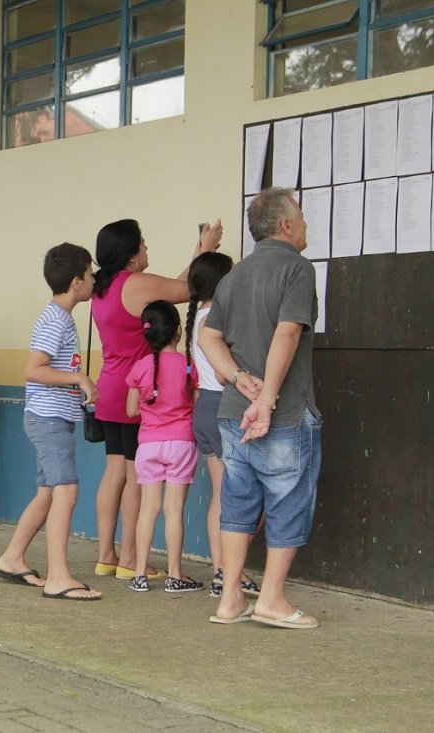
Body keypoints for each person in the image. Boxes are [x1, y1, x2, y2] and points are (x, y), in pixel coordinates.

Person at [199, 187, 321, 629]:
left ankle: (230, 599)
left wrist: (235, 377)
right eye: (302, 217)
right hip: (282, 413)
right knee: (287, 501)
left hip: (233, 411)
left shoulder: (234, 276)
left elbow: (206, 337)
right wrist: (267, 400)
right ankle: (270, 600)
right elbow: (287, 334)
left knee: (238, 502)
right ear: (286, 225)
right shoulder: (297, 269)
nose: (306, 224)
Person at [90, 218, 222, 581]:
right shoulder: (135, 284)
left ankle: (106, 555)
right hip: (143, 392)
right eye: (143, 245)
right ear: (131, 256)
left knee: (114, 471)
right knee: (136, 478)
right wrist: (206, 247)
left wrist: (199, 250)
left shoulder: (102, 289)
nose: (147, 249)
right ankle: (133, 558)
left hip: (111, 389)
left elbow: (174, 286)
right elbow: (186, 289)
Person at [0, 243, 102, 600]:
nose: (93, 280)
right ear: (76, 282)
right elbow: (34, 369)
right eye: (90, 274)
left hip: (51, 418)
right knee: (66, 492)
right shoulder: (55, 319)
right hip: (48, 419)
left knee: (46, 494)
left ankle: (12, 558)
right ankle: (59, 577)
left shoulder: (60, 317)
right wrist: (80, 379)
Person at [187, 252, 262, 598]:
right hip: (220, 405)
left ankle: (224, 570)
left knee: (221, 493)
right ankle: (224, 570)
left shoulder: (198, 315)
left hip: (204, 405)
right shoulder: (215, 318)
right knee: (235, 495)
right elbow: (222, 372)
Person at [125, 300, 202, 593]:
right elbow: (195, 403)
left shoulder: (140, 368)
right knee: (173, 510)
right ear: (179, 332)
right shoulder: (187, 365)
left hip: (148, 446)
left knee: (148, 509)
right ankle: (175, 575)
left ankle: (140, 574)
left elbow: (132, 410)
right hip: (182, 443)